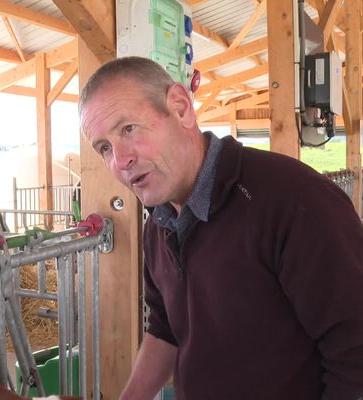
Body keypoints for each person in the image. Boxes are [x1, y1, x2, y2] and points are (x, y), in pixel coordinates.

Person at [79, 56, 363, 400]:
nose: (120, 161)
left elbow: (354, 350)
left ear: (181, 108)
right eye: (104, 148)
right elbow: (166, 327)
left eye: (129, 129)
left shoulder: (293, 200)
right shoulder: (159, 224)